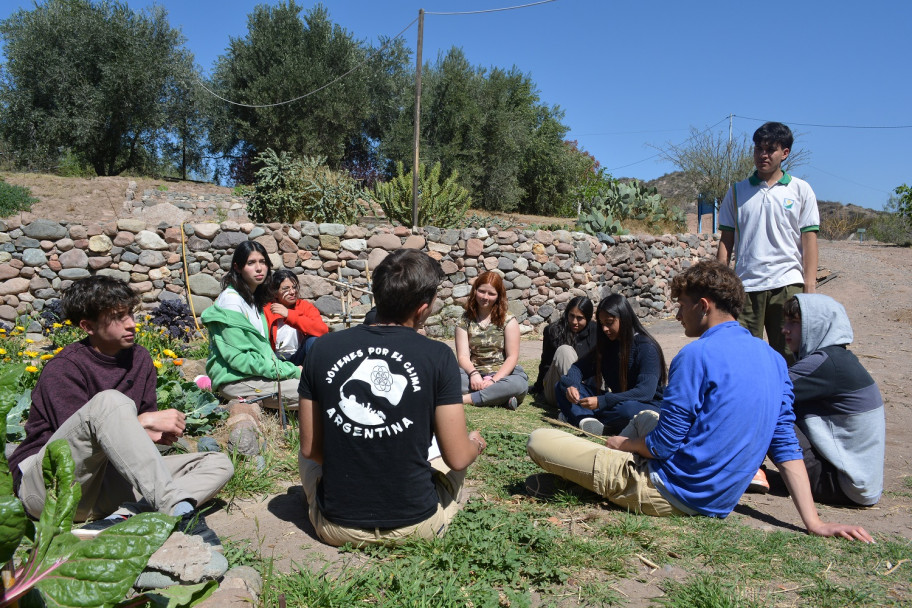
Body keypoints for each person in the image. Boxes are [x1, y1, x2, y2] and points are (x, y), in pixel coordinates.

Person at [526, 261, 872, 542]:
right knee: (648, 417)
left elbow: (663, 444)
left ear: (703, 306)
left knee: (539, 440)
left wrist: (623, 443)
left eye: (681, 306)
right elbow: (783, 443)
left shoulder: (696, 355)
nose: (678, 315)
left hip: (670, 491)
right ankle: (612, 457)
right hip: (719, 498)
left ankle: (611, 461)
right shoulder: (774, 359)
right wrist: (813, 521)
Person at [8, 276, 233, 543]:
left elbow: (131, 442)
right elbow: (71, 447)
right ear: (87, 326)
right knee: (110, 401)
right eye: (117, 317)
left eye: (129, 314)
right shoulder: (64, 368)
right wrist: (144, 421)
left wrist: (150, 435)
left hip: (107, 486)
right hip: (52, 487)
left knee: (216, 463)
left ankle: (121, 518)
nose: (131, 324)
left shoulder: (139, 359)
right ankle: (177, 512)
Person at [297, 249, 487, 547]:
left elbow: (310, 448)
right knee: (453, 452)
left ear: (377, 295)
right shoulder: (438, 356)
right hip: (417, 527)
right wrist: (474, 444)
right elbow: (458, 457)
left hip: (336, 528)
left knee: (306, 452)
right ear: (423, 309)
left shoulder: (322, 349)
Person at [716, 121, 820, 361]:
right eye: (758, 149)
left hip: (787, 284)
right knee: (744, 356)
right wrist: (720, 284)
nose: (762, 154)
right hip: (746, 286)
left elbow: (809, 239)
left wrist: (809, 287)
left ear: (784, 153)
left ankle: (788, 399)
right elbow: (726, 241)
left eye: (770, 149)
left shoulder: (801, 190)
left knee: (789, 355)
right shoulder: (736, 192)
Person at [776, 294, 885, 506]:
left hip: (843, 485)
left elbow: (762, 392)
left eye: (795, 323)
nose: (785, 329)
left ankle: (740, 471)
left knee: (770, 410)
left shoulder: (826, 363)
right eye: (786, 321)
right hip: (860, 485)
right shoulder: (838, 358)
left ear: (817, 325)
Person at [554, 294, 666, 436]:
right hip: (616, 401)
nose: (605, 329)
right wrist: (572, 386)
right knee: (561, 386)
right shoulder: (607, 345)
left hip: (645, 405)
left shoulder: (646, 347)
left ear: (624, 319)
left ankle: (579, 417)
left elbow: (645, 392)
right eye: (602, 324)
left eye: (610, 322)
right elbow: (578, 368)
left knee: (628, 411)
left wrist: (603, 401)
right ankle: (590, 421)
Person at [201, 241, 300, 401]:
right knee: (311, 390)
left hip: (256, 374)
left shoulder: (253, 301)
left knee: (315, 382)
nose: (259, 268)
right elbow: (239, 359)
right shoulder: (231, 302)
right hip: (235, 380)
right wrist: (291, 370)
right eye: (251, 263)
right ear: (237, 267)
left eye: (262, 262)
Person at [455, 271, 528, 410]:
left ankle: (466, 398)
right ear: (475, 290)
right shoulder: (464, 321)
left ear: (499, 296)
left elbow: (512, 357)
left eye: (491, 294)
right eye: (481, 291)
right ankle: (499, 398)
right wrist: (474, 374)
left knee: (519, 385)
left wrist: (494, 380)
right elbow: (463, 357)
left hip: (502, 375)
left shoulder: (508, 320)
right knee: (449, 379)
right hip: (473, 375)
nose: (485, 297)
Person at [532, 296, 596, 406]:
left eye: (580, 318)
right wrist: (538, 387)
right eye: (571, 316)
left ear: (588, 318)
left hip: (589, 390)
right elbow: (545, 364)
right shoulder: (553, 331)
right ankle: (578, 401)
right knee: (565, 350)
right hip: (558, 389)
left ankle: (583, 400)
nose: (574, 322)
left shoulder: (597, 332)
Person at [263, 269, 328, 366]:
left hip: (299, 357)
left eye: (294, 287)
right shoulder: (267, 310)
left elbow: (322, 330)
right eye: (286, 289)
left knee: (313, 340)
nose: (292, 292)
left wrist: (289, 315)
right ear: (275, 292)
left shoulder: (305, 307)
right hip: (274, 358)